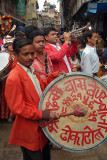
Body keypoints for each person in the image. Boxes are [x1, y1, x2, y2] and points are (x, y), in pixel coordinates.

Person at [5, 37, 65, 160]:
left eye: (32, 53)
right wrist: (42, 114)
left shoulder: (31, 70)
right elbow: (18, 108)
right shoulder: (14, 78)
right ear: (15, 54)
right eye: (25, 54)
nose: (30, 57)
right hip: (29, 131)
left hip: (40, 127)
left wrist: (54, 76)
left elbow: (40, 86)